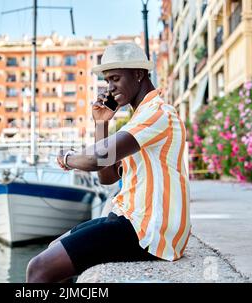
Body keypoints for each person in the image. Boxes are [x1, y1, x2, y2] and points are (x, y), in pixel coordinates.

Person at [26, 43, 191, 283]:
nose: (110, 88)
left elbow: (97, 159)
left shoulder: (157, 114)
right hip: (130, 219)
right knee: (54, 247)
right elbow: (107, 177)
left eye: (115, 78)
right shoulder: (141, 118)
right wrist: (101, 123)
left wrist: (68, 158)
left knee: (38, 269)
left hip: (147, 229)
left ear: (138, 74)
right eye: (107, 81)